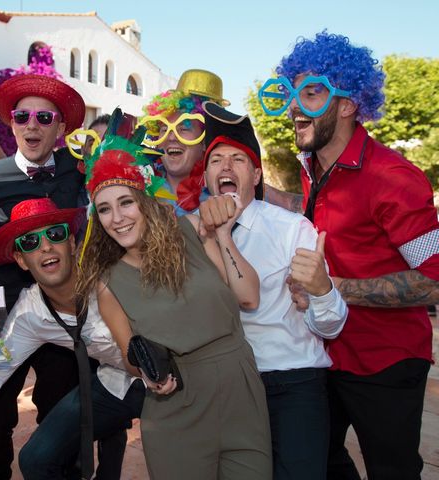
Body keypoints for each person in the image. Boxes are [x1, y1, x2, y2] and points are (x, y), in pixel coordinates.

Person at [259, 31, 439, 479]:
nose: (296, 106)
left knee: (392, 470)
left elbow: (435, 279)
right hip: (325, 353)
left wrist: (333, 289)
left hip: (387, 360)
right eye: (291, 93)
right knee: (319, 460)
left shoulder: (393, 178)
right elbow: (323, 223)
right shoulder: (313, 166)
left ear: (347, 104)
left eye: (312, 92)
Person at [76, 109, 272, 479]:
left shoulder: (195, 231)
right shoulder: (108, 282)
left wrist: (224, 234)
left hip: (241, 391)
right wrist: (150, 374)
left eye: (126, 202)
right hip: (176, 407)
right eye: (104, 209)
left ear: (147, 200)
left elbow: (249, 295)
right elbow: (129, 353)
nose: (117, 218)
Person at [0, 65, 124, 480]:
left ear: (61, 127)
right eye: (22, 117)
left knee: (63, 407)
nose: (32, 125)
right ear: (11, 124)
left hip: (64, 313)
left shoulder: (78, 168)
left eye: (44, 118)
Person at [199, 102, 348, 479]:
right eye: (216, 160)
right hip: (225, 388)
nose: (227, 167)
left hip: (292, 383)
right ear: (205, 178)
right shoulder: (187, 231)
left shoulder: (292, 229)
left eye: (238, 159)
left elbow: (329, 328)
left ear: (257, 175)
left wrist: (323, 289)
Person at [0, 197, 144, 479]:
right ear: (21, 261)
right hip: (115, 384)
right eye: (30, 242)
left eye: (55, 234)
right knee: (35, 459)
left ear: (72, 244)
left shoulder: (111, 274)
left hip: (170, 380)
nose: (46, 246)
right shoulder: (30, 314)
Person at [141, 69, 228, 215]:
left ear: (205, 142)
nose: (172, 137)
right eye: (164, 129)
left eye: (184, 128)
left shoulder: (223, 192)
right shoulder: (138, 185)